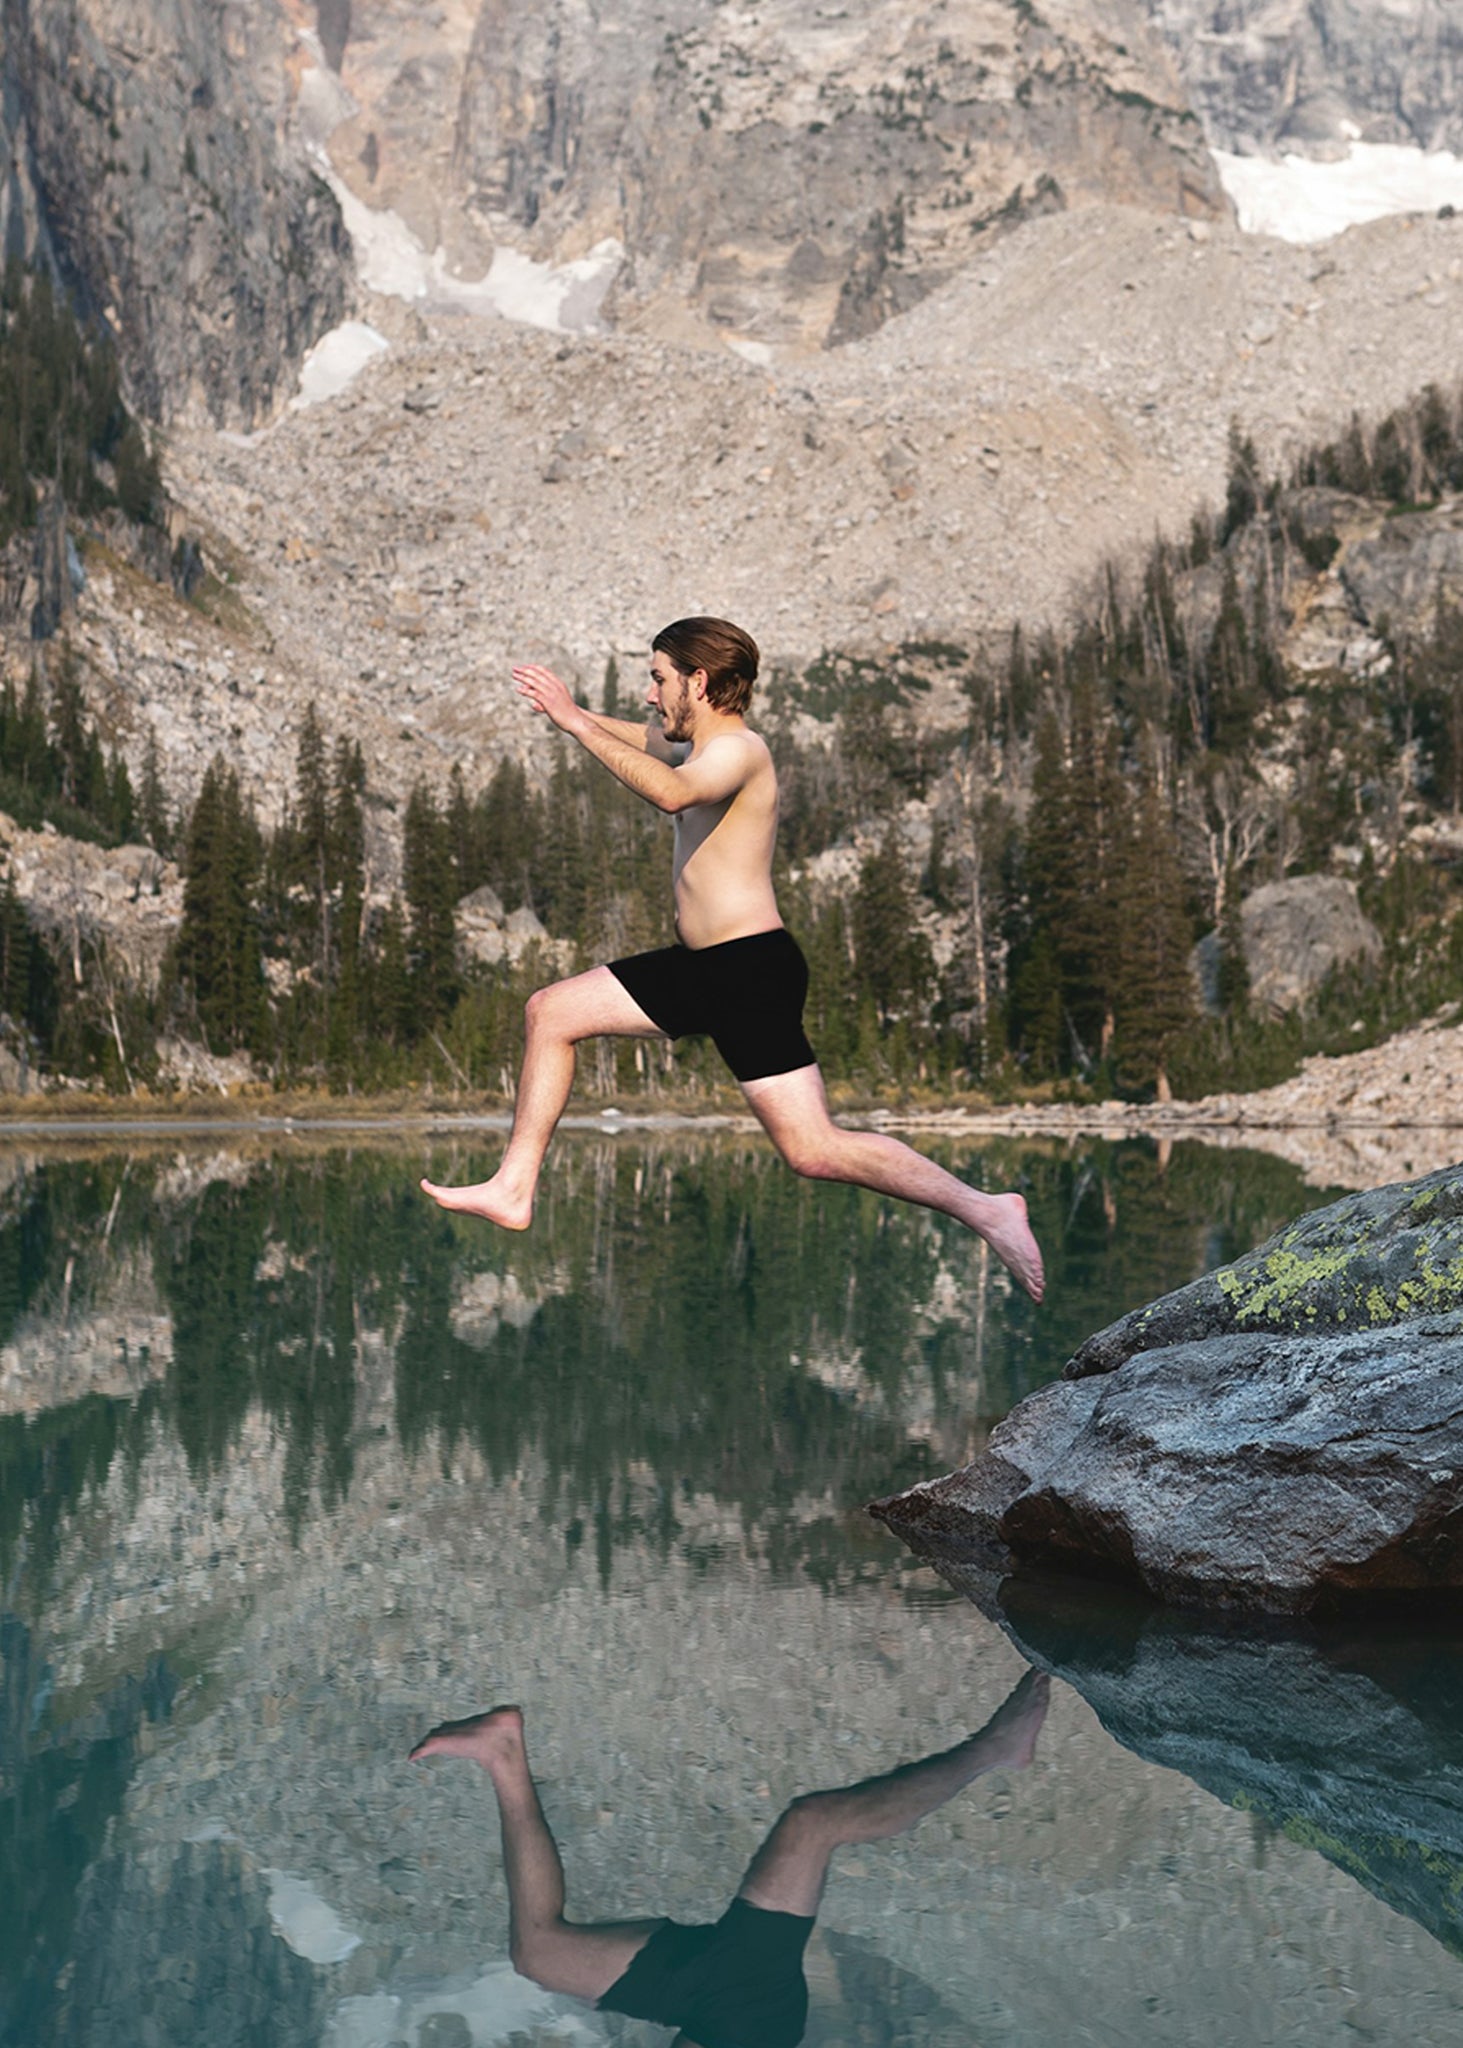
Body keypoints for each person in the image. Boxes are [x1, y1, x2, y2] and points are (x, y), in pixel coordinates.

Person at [420, 616, 1044, 1301]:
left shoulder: (740, 752)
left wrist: (573, 722)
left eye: (659, 679)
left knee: (814, 1149)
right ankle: (513, 1186)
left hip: (749, 972)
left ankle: (986, 1207)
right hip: (701, 968)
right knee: (551, 1011)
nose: (651, 696)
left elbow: (670, 793)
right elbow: (649, 740)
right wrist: (570, 709)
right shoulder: (701, 744)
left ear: (699, 680)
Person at [409, 1671, 1050, 2048]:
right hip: (745, 2017)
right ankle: (996, 1747)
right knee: (811, 1824)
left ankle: (503, 1753)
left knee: (538, 1953)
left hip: (711, 2013)